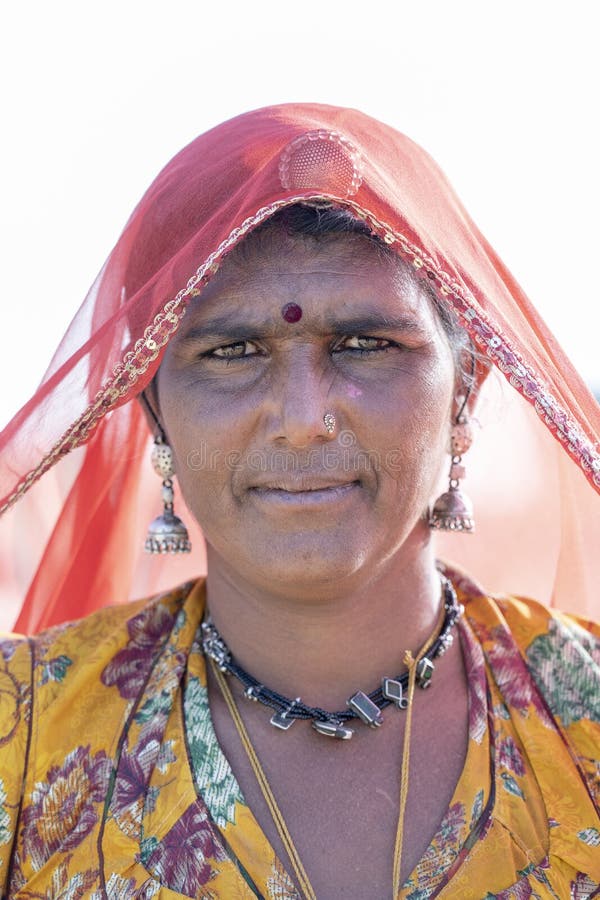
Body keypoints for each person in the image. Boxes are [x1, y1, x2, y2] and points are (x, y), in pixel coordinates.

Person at [0, 104, 599, 899]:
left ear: (465, 389)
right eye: (233, 352)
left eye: (366, 344)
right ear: (152, 408)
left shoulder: (582, 721)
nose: (303, 420)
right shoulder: (24, 736)